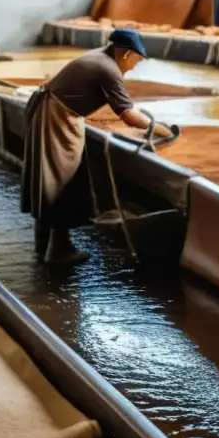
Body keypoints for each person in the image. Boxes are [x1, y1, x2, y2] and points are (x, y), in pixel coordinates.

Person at [21, 29, 173, 265]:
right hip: (56, 117)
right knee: (62, 179)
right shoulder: (108, 69)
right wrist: (161, 128)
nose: (134, 67)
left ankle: (44, 245)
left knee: (48, 177)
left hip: (51, 110)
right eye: (136, 61)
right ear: (126, 55)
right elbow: (130, 116)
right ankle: (59, 250)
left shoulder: (99, 56)